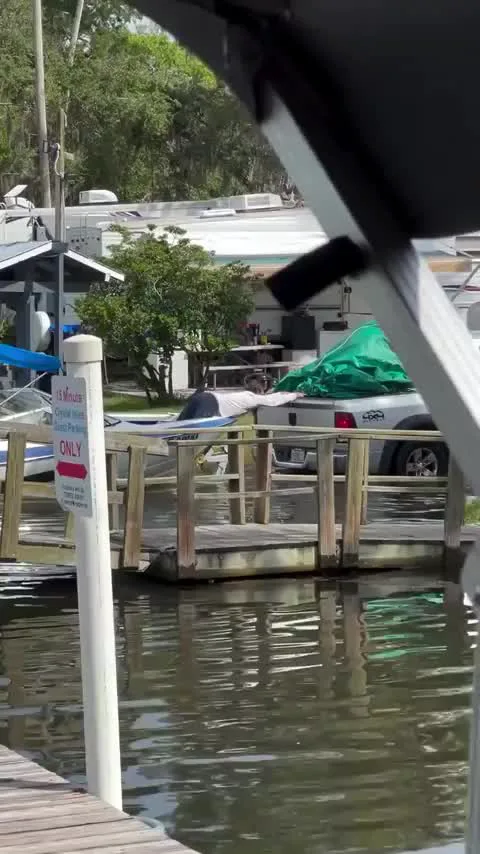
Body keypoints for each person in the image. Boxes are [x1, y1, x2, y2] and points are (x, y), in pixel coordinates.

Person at [177, 385, 303, 420]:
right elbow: (272, 400)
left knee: (180, 424)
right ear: (258, 392)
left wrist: (283, 393)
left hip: (201, 396)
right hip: (211, 404)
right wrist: (294, 395)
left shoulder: (242, 394)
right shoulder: (251, 398)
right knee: (192, 430)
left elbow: (271, 396)